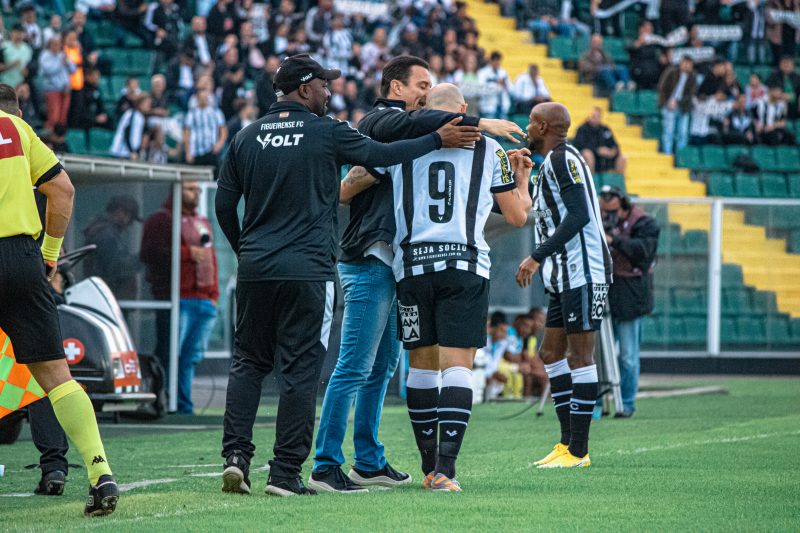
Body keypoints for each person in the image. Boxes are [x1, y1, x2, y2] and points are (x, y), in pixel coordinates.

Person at [214, 53, 481, 497]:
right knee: (308, 370)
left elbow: (225, 206)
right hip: (317, 267)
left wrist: (245, 249)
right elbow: (381, 151)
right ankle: (294, 472)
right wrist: (438, 138)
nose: (330, 91)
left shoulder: (246, 135)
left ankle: (239, 458)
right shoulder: (328, 130)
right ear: (304, 89)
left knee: (251, 365)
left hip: (258, 267)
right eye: (323, 84)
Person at [311, 55, 523, 494]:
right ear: (397, 89)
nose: (424, 95)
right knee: (362, 364)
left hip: (404, 265)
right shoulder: (392, 126)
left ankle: (373, 461)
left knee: (391, 364)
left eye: (430, 88)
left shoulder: (411, 141)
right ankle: (331, 463)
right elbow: (517, 216)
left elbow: (356, 179)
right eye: (419, 86)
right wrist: (506, 157)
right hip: (386, 259)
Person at [0, 83, 118, 515]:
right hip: (24, 260)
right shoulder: (17, 129)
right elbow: (63, 190)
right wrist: (48, 256)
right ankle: (99, 471)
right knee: (55, 375)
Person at [516, 102, 613, 469]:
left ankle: (579, 451)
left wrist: (536, 255)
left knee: (579, 356)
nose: (526, 127)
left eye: (530, 123)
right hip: (564, 274)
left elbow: (579, 214)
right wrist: (522, 175)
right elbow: (533, 214)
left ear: (542, 126)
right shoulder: (551, 164)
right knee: (551, 354)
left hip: (583, 271)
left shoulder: (562, 159)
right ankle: (565, 443)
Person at [140, 182, 219, 415]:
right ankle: (163, 403)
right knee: (170, 354)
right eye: (190, 188)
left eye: (198, 189)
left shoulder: (201, 221)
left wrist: (213, 294)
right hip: (176, 299)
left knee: (191, 357)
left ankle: (183, 405)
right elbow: (149, 254)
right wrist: (186, 253)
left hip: (204, 300)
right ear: (176, 190)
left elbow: (210, 258)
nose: (196, 193)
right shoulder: (160, 220)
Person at [598, 186, 659, 417]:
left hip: (630, 295)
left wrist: (614, 240)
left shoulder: (645, 224)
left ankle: (626, 403)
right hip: (605, 289)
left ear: (622, 204)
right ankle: (598, 403)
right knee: (600, 354)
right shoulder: (600, 220)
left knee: (628, 356)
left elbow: (643, 251)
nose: (608, 216)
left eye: (611, 210)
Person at [82, 195, 141, 300]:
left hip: (107, 296)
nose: (129, 222)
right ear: (117, 211)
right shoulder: (105, 235)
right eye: (127, 214)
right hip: (108, 297)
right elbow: (117, 267)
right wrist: (142, 258)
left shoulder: (106, 233)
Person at [657, 55, 696, 155]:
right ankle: (667, 154)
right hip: (668, 105)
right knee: (668, 131)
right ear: (681, 62)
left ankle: (680, 155)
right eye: (685, 63)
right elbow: (662, 87)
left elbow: (691, 94)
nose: (687, 66)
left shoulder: (692, 77)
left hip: (684, 107)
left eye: (689, 64)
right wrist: (666, 102)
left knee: (682, 133)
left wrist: (678, 102)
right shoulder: (671, 72)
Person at [573, 107, 627, 175]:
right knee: (587, 154)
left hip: (606, 159)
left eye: (597, 116)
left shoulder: (605, 129)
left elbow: (614, 144)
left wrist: (611, 152)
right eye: (593, 116)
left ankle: (616, 181)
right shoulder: (582, 129)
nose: (595, 118)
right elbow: (579, 145)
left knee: (623, 157)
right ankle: (591, 179)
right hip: (592, 158)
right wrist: (597, 150)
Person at [38, 35, 75, 131]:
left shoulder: (63, 55)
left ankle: (60, 138)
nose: (56, 47)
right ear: (49, 45)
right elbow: (48, 71)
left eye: (58, 45)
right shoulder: (45, 55)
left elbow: (73, 70)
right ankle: (50, 138)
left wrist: (68, 61)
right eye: (54, 44)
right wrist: (61, 63)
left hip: (65, 90)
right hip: (52, 89)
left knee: (63, 118)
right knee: (53, 117)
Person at [183, 88, 227, 169]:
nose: (203, 100)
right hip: (195, 151)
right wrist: (188, 152)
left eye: (205, 97)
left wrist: (219, 144)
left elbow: (223, 130)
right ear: (197, 99)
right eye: (201, 98)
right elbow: (186, 133)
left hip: (211, 149)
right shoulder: (191, 113)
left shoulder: (216, 112)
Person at [0, 24, 33, 89]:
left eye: (21, 32)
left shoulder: (28, 49)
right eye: (17, 32)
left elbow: (29, 69)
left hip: (20, 86)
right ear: (11, 33)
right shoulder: (3, 47)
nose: (19, 35)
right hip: (5, 85)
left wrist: (27, 72)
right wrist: (12, 64)